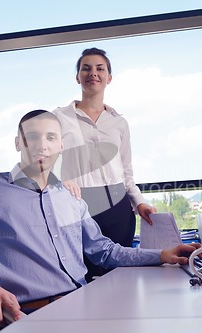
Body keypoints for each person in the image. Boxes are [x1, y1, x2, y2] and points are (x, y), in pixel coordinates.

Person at [0, 110, 199, 331]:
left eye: (50, 137)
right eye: (32, 137)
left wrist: (161, 255)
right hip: (24, 319)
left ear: (61, 147)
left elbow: (104, 252)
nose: (41, 145)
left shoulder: (70, 197)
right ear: (18, 143)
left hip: (86, 311)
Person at [53, 47, 157, 281]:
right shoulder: (58, 117)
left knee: (121, 275)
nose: (93, 73)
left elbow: (126, 171)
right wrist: (60, 181)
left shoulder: (119, 122)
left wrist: (139, 203)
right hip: (76, 204)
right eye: (86, 68)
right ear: (77, 76)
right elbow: (46, 161)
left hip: (118, 205)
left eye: (100, 69)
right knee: (80, 276)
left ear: (109, 78)